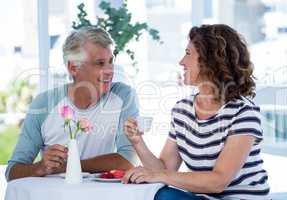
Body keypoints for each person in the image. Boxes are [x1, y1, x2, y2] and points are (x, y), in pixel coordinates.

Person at [123, 24, 270, 200]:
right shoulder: (182, 110)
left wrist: (159, 176)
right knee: (156, 192)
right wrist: (138, 142)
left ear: (210, 61)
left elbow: (218, 181)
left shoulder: (243, 113)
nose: (181, 62)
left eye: (188, 53)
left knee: (164, 196)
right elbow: (164, 170)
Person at [5, 27, 139, 181]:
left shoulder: (124, 96)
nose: (109, 70)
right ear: (73, 67)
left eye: (110, 61)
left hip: (103, 194)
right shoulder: (44, 104)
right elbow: (12, 172)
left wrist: (70, 165)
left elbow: (128, 161)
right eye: (100, 63)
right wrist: (40, 167)